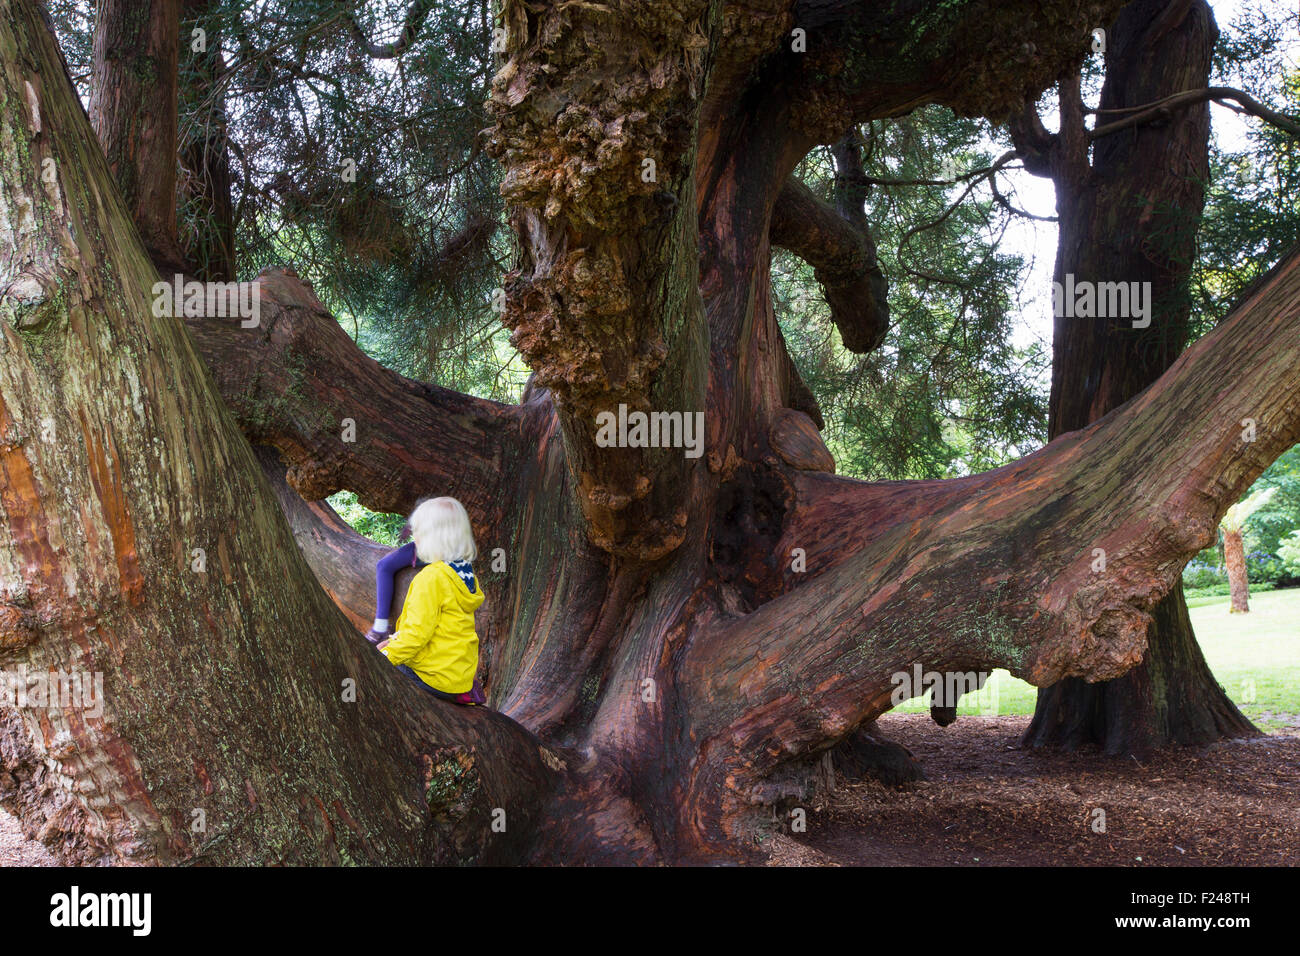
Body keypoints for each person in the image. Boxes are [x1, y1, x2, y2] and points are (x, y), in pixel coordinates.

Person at [373, 498, 486, 705]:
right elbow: (441, 627)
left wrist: (384, 657)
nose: (415, 539)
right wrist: (395, 640)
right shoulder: (463, 572)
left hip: (434, 676)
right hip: (457, 675)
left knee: (375, 677)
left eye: (419, 533)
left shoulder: (431, 578)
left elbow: (416, 636)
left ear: (433, 537)